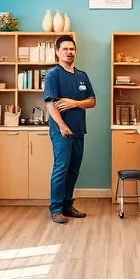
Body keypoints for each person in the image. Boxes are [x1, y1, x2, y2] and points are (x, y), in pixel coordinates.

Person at [43, 36, 96, 224]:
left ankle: (67, 205)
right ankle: (56, 209)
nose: (69, 52)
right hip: (61, 132)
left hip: (79, 130)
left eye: (72, 49)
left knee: (73, 170)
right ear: (57, 51)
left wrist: (75, 103)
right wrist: (63, 126)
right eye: (65, 49)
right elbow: (51, 105)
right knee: (61, 169)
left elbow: (92, 101)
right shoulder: (53, 75)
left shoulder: (82, 76)